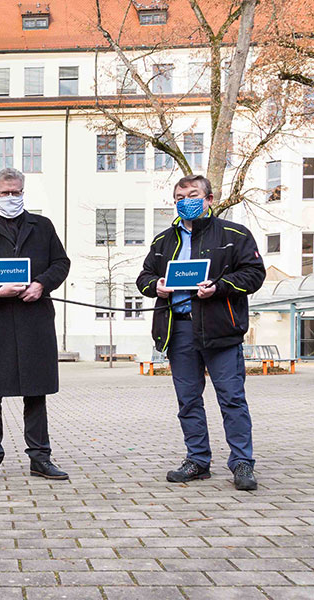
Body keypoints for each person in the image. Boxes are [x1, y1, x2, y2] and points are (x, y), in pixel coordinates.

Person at [136, 175, 265, 491]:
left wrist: (220, 288)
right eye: (180, 196)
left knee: (232, 399)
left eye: (193, 195)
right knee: (188, 400)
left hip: (220, 329)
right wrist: (157, 287)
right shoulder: (163, 241)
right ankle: (197, 460)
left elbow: (254, 273)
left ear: (209, 199)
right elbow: (144, 277)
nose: (185, 200)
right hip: (178, 329)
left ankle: (242, 463)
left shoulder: (235, 234)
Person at [0, 168, 71, 484]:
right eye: (5, 192)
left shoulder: (42, 226)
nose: (12, 198)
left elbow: (61, 263)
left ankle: (40, 458)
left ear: (24, 192)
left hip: (33, 319)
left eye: (17, 192)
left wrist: (41, 285)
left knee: (36, 391)